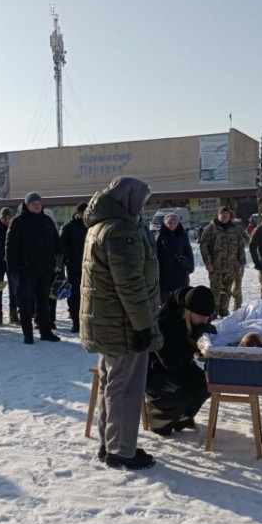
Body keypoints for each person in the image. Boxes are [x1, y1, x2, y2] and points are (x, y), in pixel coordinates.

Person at [80, 176, 162, 470]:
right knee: (125, 387)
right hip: (124, 323)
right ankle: (122, 450)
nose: (142, 207)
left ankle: (111, 444)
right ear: (129, 200)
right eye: (141, 201)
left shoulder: (102, 225)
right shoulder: (120, 230)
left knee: (111, 383)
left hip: (111, 321)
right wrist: (143, 326)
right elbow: (129, 284)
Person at [146, 286, 214, 436]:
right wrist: (191, 342)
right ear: (188, 312)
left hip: (181, 364)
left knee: (208, 383)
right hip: (155, 369)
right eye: (201, 317)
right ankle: (159, 420)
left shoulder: (199, 313)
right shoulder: (164, 320)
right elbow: (169, 361)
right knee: (182, 393)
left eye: (207, 317)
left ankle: (182, 418)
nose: (205, 320)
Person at [5, 192, 62, 344]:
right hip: (26, 270)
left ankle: (45, 331)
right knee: (26, 303)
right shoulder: (18, 222)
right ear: (27, 205)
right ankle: (28, 334)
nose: (37, 205)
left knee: (44, 302)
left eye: (39, 202)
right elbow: (10, 248)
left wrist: (60, 260)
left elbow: (57, 244)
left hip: (46, 270)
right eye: (33, 203)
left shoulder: (47, 221)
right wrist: (13, 270)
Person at [197, 206, 246, 318]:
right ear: (218, 215)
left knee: (227, 291)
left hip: (231, 267)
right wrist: (208, 262)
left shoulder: (235, 229)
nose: (224, 216)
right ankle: (213, 312)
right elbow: (203, 246)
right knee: (215, 291)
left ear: (230, 216)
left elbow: (240, 247)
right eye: (222, 214)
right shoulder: (210, 229)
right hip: (215, 267)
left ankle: (224, 311)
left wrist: (242, 263)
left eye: (226, 214)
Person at [60, 202, 88, 333]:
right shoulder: (68, 227)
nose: (84, 215)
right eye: (82, 212)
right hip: (73, 266)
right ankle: (76, 322)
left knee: (87, 294)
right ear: (77, 213)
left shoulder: (90, 226)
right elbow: (61, 246)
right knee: (74, 295)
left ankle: (86, 321)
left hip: (89, 266)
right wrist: (69, 258)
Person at [155, 212, 194, 302]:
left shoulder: (183, 235)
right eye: (169, 223)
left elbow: (188, 251)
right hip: (165, 272)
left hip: (180, 271)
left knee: (181, 297)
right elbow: (156, 253)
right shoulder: (161, 235)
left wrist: (190, 267)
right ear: (165, 223)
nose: (172, 225)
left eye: (174, 223)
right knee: (165, 299)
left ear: (178, 223)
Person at [0, 207, 18, 326]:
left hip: (12, 263)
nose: (6, 220)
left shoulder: (15, 228)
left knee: (14, 289)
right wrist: (0, 256)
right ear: (0, 217)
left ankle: (14, 314)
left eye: (8, 218)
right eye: (4, 218)